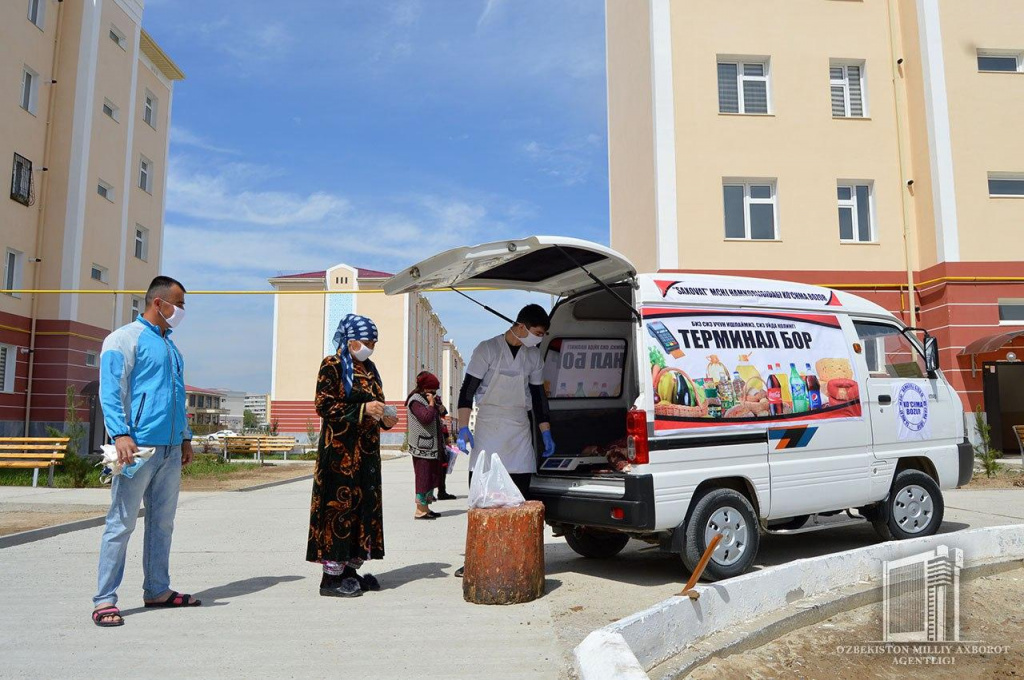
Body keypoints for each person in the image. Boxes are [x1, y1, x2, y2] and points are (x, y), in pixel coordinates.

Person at [92, 276, 196, 627]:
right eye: (178, 304)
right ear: (158, 303)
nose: (181, 311)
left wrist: (185, 437)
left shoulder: (172, 347)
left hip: (169, 449)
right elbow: (111, 390)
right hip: (136, 448)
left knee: (162, 523)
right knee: (121, 523)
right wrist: (120, 433)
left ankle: (157, 589)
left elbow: (178, 397)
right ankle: (105, 599)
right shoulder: (123, 339)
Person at [453, 304, 556, 577]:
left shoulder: (533, 357)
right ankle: (476, 559)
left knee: (519, 493)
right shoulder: (486, 349)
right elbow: (467, 392)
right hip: (488, 424)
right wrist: (463, 428)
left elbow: (537, 397)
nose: (539, 338)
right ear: (521, 326)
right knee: (483, 496)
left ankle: (517, 556)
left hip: (519, 426)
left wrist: (545, 431)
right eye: (537, 332)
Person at [307, 314, 398, 598]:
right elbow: (324, 406)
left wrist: (385, 417)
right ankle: (330, 578)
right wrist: (362, 411)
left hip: (367, 454)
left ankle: (350, 570)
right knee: (339, 508)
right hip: (339, 454)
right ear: (350, 340)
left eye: (374, 341)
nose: (371, 345)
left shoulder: (369, 368)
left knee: (362, 508)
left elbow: (376, 404)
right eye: (367, 340)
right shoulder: (332, 365)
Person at [406, 371, 447, 519]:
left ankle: (426, 508)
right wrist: (431, 405)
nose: (434, 393)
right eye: (432, 391)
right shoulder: (415, 400)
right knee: (423, 477)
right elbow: (426, 418)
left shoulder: (427, 400)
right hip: (422, 446)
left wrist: (437, 405)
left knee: (430, 477)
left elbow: (443, 413)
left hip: (430, 446)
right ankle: (420, 511)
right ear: (424, 389)